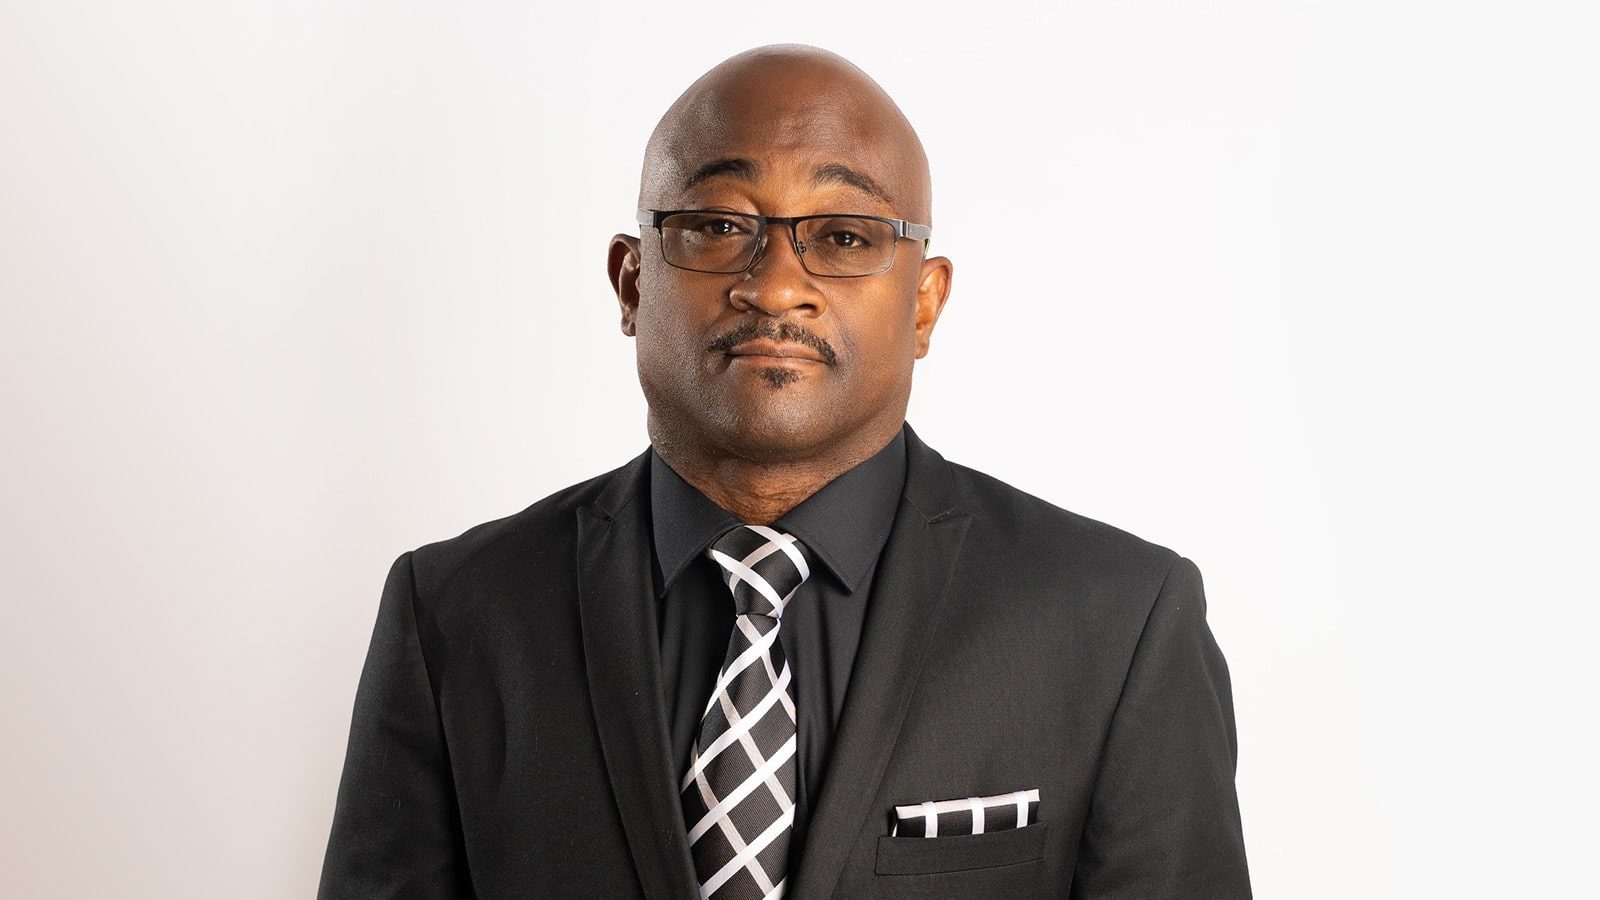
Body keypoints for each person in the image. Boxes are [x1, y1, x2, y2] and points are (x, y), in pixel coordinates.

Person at [318, 44, 1250, 899]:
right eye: (719, 224)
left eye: (844, 236)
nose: (773, 284)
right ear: (633, 283)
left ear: (924, 303)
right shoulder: (454, 615)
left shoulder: (1119, 620)